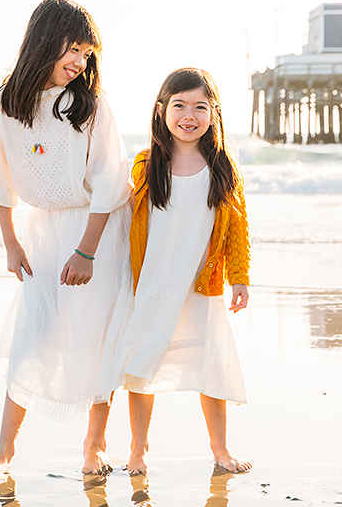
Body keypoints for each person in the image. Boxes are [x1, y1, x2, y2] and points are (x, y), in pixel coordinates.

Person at [0, 0, 132, 480]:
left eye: (87, 54)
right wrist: (11, 243)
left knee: (98, 334)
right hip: (42, 230)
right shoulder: (1, 104)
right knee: (33, 335)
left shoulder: (89, 104)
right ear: (46, 39)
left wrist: (87, 249)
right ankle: (4, 448)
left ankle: (94, 445)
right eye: (75, 49)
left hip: (97, 229)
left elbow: (110, 181)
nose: (81, 63)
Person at [108, 67, 252, 475]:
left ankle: (220, 449)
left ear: (214, 114)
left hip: (199, 285)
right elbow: (119, 219)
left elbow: (237, 227)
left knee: (211, 366)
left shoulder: (222, 166)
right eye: (179, 105)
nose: (189, 115)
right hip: (151, 283)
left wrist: (239, 277)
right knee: (141, 365)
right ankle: (139, 450)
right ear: (161, 110)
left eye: (200, 107)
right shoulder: (145, 164)